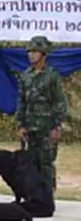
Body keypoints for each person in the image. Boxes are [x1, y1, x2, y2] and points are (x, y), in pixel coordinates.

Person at [17, 35, 67, 192]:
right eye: (29, 51)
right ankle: (33, 195)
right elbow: (21, 102)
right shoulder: (25, 75)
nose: (31, 55)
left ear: (43, 54)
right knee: (30, 162)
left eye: (35, 51)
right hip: (30, 126)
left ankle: (47, 196)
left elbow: (60, 102)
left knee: (46, 163)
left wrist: (56, 126)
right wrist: (20, 124)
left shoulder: (52, 76)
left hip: (47, 127)